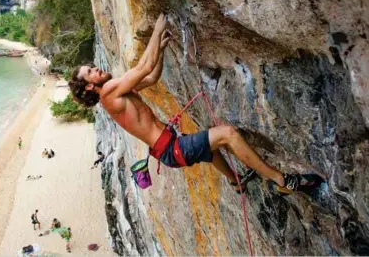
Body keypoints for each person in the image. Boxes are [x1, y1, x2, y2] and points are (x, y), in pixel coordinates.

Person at [68, 14, 322, 195]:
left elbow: (151, 75)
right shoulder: (110, 93)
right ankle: (283, 180)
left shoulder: (117, 95)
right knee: (228, 135)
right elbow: (142, 66)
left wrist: (162, 48)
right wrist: (157, 30)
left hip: (169, 150)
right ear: (90, 86)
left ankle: (236, 182)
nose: (96, 68)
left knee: (208, 149)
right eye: (90, 71)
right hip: (173, 149)